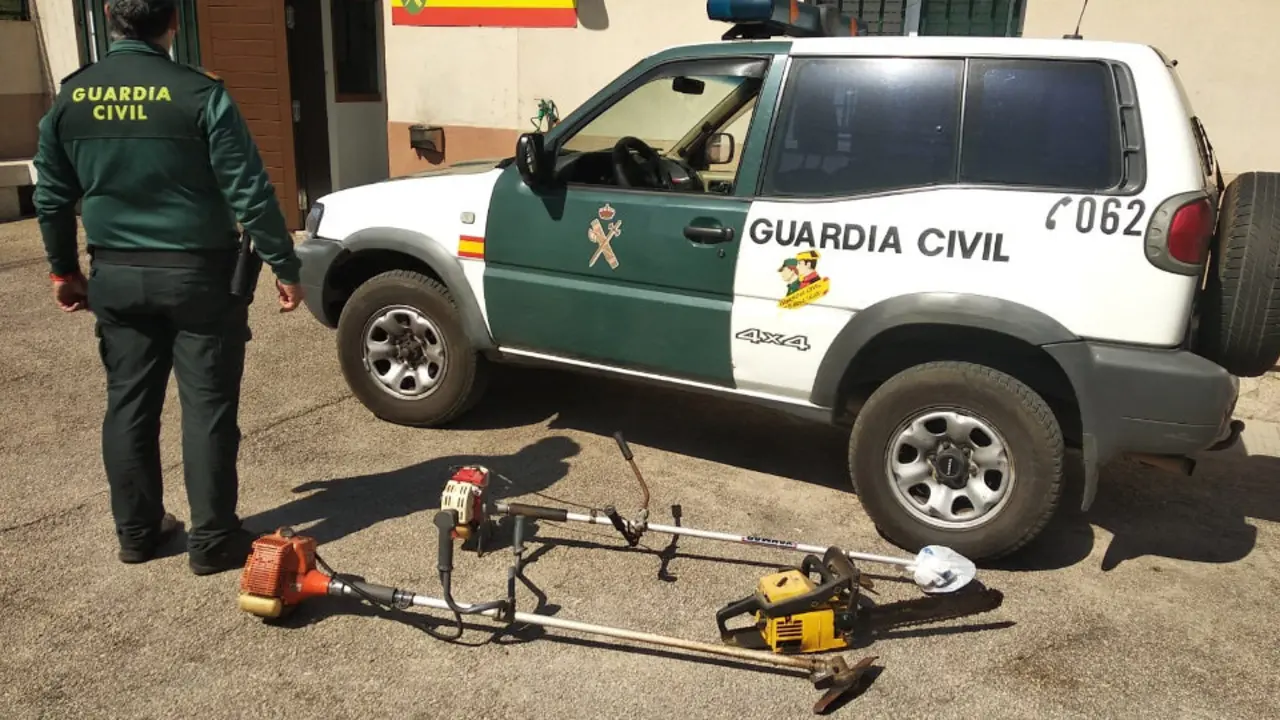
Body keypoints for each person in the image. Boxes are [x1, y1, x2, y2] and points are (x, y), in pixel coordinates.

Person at [33, 0, 305, 576]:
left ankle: (138, 532)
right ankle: (213, 540)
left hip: (116, 275)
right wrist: (284, 264)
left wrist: (64, 271)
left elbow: (52, 197)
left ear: (111, 16)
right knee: (207, 409)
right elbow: (248, 191)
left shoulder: (72, 96)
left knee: (128, 406)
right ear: (173, 22)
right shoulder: (199, 93)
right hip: (198, 277)